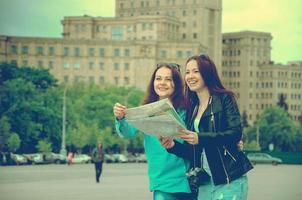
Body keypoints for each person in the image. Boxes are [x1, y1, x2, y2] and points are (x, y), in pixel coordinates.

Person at [161, 54, 253, 200]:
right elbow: (194, 152)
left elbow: (235, 133)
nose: (190, 76)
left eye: (196, 71)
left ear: (207, 73)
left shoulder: (224, 98)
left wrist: (200, 138)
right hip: (204, 183)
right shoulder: (193, 107)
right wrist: (172, 146)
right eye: (187, 72)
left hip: (229, 179)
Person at [113, 63, 193, 200]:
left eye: (168, 79)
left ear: (176, 84)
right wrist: (120, 118)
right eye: (158, 78)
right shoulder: (145, 111)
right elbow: (128, 132)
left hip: (190, 180)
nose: (162, 83)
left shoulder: (187, 109)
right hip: (163, 182)